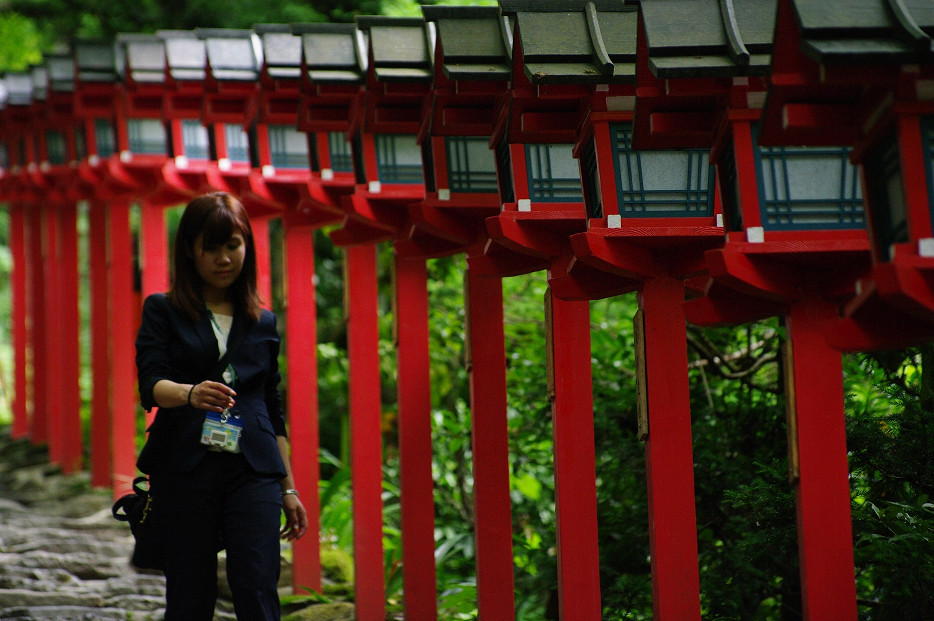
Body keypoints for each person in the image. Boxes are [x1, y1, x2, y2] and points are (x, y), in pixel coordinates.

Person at [135, 191, 308, 620]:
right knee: (190, 592)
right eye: (211, 247)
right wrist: (190, 393)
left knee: (257, 585)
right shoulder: (163, 310)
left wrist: (287, 487)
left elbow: (271, 405)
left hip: (253, 468)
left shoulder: (263, 322)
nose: (224, 258)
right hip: (185, 464)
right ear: (190, 252)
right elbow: (150, 383)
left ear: (246, 247)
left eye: (232, 245)